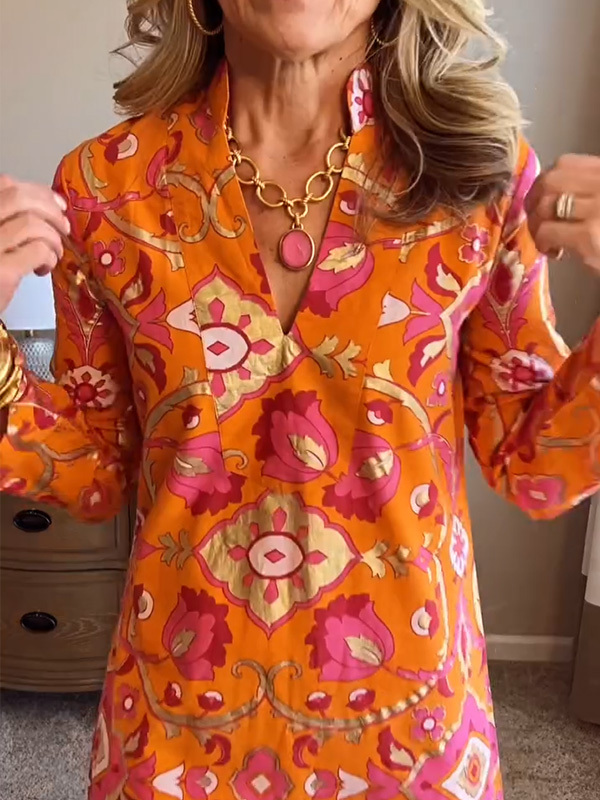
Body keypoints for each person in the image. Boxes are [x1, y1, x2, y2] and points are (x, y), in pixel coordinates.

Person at [1, 0, 599, 797]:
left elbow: (537, 467)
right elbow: (93, 469)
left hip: (413, 733)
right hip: (174, 728)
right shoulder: (106, 187)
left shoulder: (477, 177)